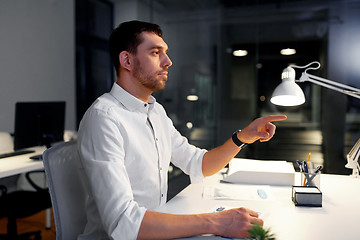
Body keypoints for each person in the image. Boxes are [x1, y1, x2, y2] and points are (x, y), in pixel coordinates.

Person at [77, 20, 287, 240]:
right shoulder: (104, 119)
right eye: (156, 52)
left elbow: (199, 164)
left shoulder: (155, 111)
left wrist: (243, 137)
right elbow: (124, 222)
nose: (168, 61)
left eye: (165, 52)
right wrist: (216, 222)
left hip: (156, 231)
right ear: (127, 60)